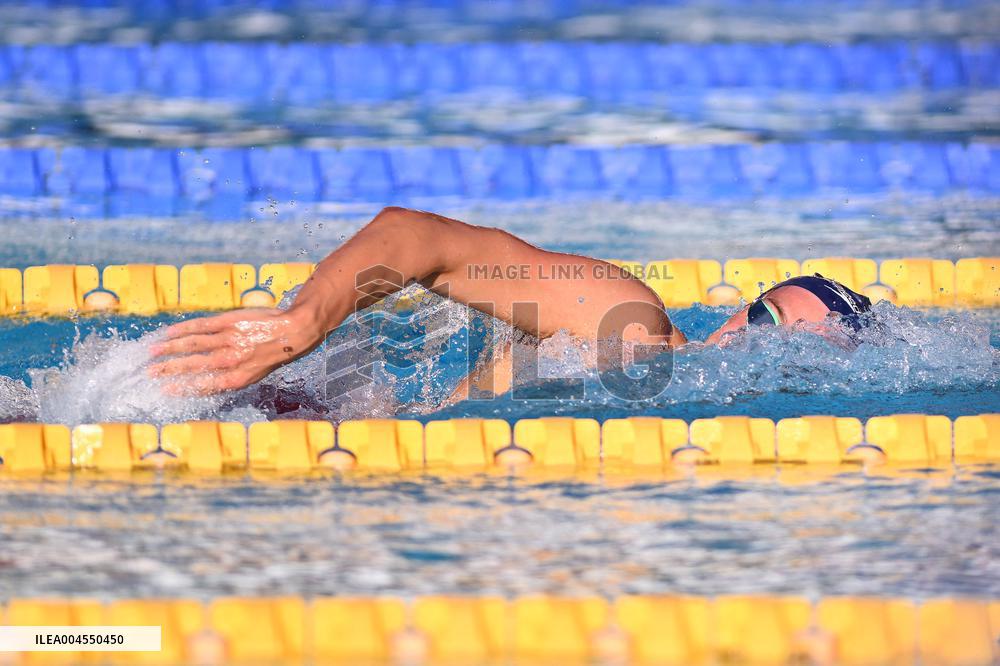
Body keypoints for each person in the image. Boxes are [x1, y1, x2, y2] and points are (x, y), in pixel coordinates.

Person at [149, 206, 871, 400]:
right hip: (300, 422)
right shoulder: (632, 321)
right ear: (736, 314)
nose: (762, 344)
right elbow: (412, 235)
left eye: (798, 349)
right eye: (769, 319)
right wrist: (300, 323)